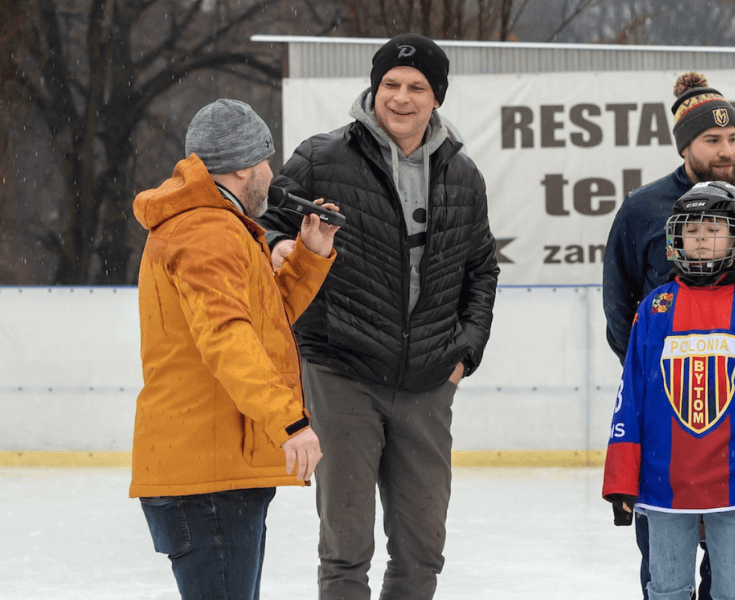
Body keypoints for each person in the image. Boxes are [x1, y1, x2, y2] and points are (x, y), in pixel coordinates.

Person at [257, 33, 499, 600]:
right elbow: (266, 218)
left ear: (436, 97)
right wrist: (276, 246)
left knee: (421, 549)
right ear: (375, 87)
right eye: (390, 83)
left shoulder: (463, 175)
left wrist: (466, 350)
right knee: (345, 548)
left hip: (428, 381)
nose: (401, 97)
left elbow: (482, 269)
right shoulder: (322, 157)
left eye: (417, 87)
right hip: (341, 370)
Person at [130, 98, 339, 600]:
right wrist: (288, 420)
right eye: (266, 160)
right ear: (245, 165)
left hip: (217, 469)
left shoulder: (218, 227)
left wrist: (309, 256)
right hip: (208, 478)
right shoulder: (207, 230)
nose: (271, 171)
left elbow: (261, 326)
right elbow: (226, 337)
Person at [602, 70, 735, 600]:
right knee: (663, 578)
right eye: (713, 141)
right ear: (686, 144)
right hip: (667, 430)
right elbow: (621, 306)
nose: (727, 150)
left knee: (732, 581)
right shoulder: (642, 209)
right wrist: (665, 375)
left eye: (733, 138)